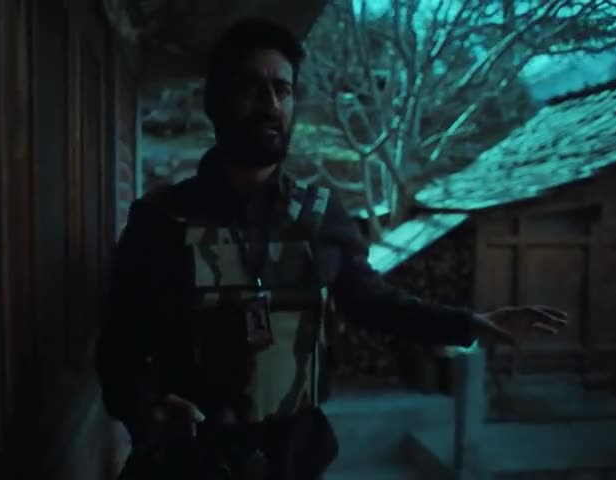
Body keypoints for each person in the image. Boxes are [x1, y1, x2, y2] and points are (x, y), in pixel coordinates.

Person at [97, 18, 567, 480]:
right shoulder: (161, 220)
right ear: (214, 101)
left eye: (282, 89)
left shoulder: (320, 216)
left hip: (293, 461)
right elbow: (117, 352)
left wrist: (469, 324)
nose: (270, 104)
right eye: (251, 87)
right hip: (189, 463)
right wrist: (145, 407)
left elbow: (375, 303)